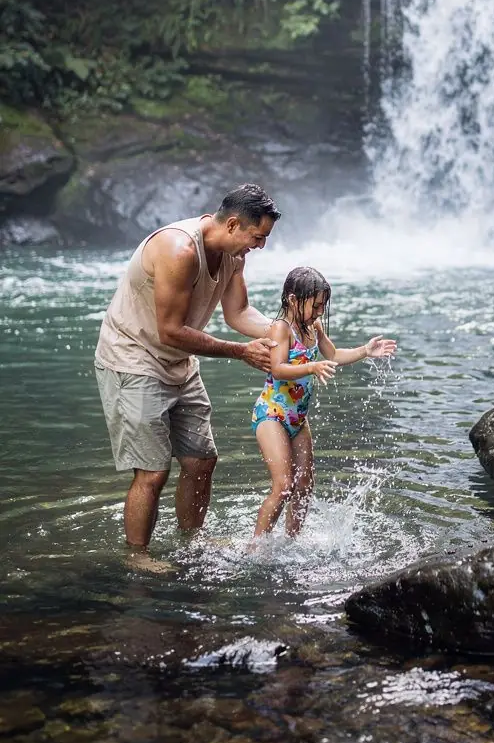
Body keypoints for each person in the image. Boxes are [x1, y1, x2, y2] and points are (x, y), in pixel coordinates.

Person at [95, 183, 281, 553]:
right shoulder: (178, 250)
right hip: (133, 359)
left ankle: (193, 540)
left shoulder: (233, 256)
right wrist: (240, 352)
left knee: (201, 461)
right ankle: (138, 557)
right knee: (152, 472)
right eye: (257, 237)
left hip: (178, 362)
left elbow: (239, 313)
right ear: (232, 225)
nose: (259, 247)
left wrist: (286, 333)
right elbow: (171, 330)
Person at [252, 265, 397, 539]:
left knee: (305, 484)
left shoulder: (314, 327)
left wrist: (365, 351)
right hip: (272, 416)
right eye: (316, 305)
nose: (320, 311)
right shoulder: (280, 329)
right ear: (293, 299)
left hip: (298, 419)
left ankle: (291, 541)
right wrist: (311, 367)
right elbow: (278, 368)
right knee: (283, 486)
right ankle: (255, 548)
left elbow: (333, 355)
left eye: (323, 306)